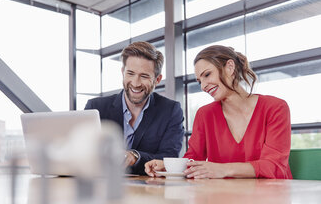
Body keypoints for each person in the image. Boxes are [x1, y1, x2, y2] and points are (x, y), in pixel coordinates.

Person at [145, 45, 292, 179]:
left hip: (271, 198)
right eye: (199, 81)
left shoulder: (275, 108)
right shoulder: (205, 115)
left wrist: (223, 169)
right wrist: (169, 167)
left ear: (229, 67)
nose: (203, 86)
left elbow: (273, 166)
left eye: (207, 75)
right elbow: (194, 159)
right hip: (224, 199)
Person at [85, 41, 184, 175]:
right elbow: (83, 153)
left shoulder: (171, 110)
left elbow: (169, 157)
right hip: (102, 184)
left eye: (144, 76)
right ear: (122, 72)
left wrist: (136, 156)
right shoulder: (96, 108)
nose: (136, 83)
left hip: (149, 189)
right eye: (130, 73)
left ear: (157, 80)